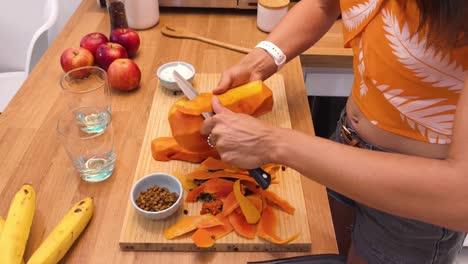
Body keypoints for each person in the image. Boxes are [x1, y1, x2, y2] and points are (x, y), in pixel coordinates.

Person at [200, 0, 468, 263]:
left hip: (418, 197)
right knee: (327, 249)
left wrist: (274, 143)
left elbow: (461, 196)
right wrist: (260, 61)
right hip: (344, 145)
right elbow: (325, 5)